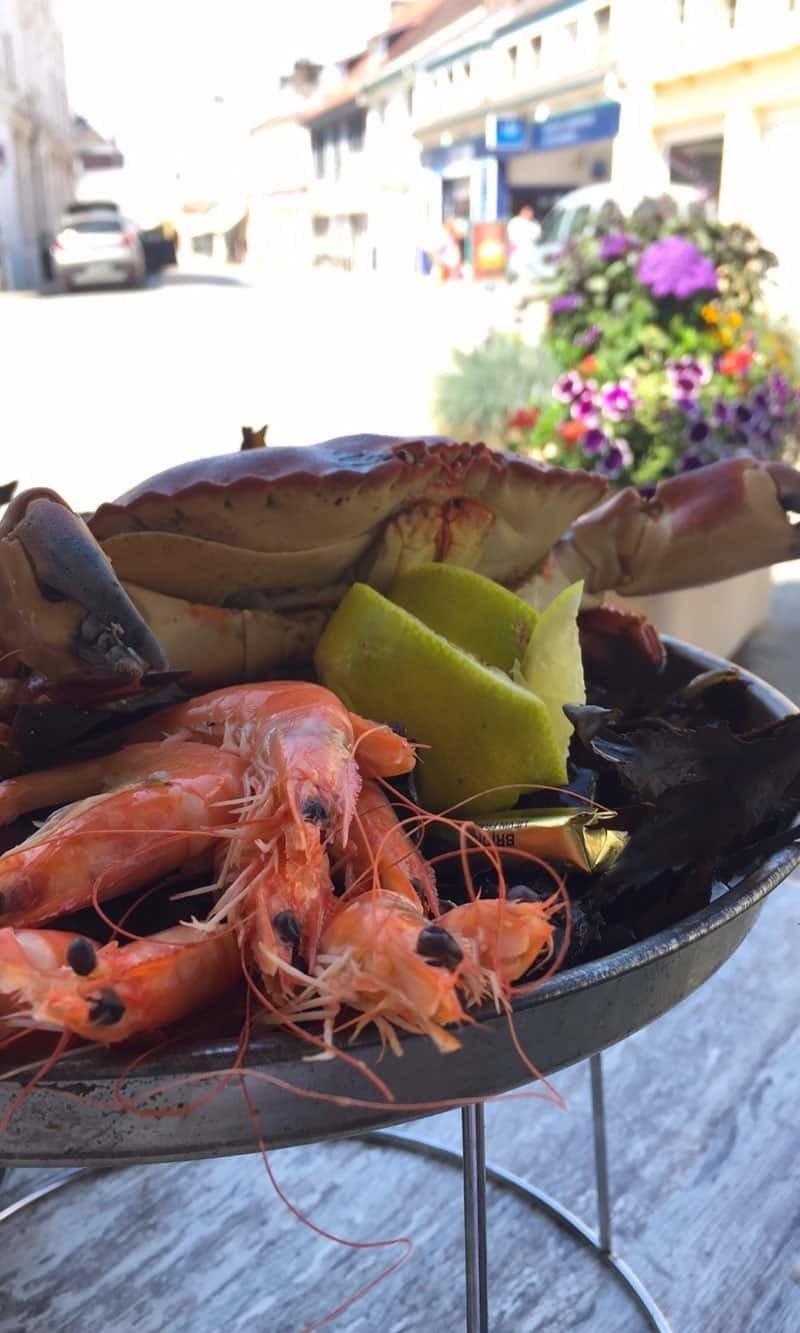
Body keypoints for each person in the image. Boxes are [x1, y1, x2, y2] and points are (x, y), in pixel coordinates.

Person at [506, 204, 541, 282]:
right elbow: (512, 236)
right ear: (522, 212)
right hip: (517, 253)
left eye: (531, 213)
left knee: (531, 275)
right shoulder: (515, 222)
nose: (529, 215)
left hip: (531, 252)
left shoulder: (534, 223)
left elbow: (537, 235)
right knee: (518, 272)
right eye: (527, 213)